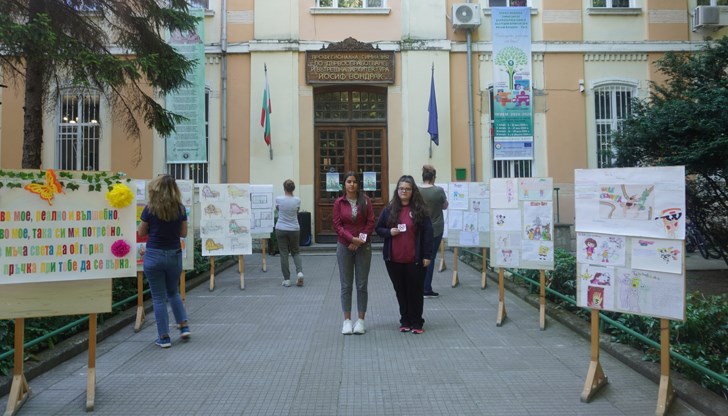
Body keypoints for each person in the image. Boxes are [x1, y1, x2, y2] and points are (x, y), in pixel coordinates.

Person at [376, 175, 433, 334]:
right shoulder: (389, 209)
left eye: (407, 189)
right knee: (400, 291)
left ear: (412, 191)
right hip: (393, 259)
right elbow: (378, 228)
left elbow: (428, 233)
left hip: (415, 260)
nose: (404, 191)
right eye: (401, 188)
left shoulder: (420, 210)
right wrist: (389, 232)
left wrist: (427, 255)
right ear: (397, 190)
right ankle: (405, 320)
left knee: (415, 291)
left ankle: (417, 322)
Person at [137, 175, 190, 348]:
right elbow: (183, 234)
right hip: (174, 254)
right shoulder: (180, 209)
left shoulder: (150, 209)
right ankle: (183, 326)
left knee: (158, 298)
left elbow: (142, 232)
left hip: (154, 255)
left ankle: (164, 337)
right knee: (173, 292)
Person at [333, 172, 375, 335]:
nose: (351, 184)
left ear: (358, 184)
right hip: (344, 246)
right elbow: (337, 225)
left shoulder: (366, 201)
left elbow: (370, 222)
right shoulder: (339, 202)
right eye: (349, 182)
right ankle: (347, 321)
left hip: (363, 247)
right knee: (346, 284)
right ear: (344, 184)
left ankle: (361, 321)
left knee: (362, 284)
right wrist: (351, 239)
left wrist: (360, 241)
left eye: (354, 182)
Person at [419, 165, 449, 298]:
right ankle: (426, 288)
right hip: (436, 228)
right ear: (433, 177)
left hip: (420, 227)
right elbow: (445, 206)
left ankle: (418, 286)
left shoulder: (417, 191)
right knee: (430, 257)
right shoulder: (439, 191)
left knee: (420, 256)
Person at [275, 179, 304, 287]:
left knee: (284, 253)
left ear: (284, 188)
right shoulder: (297, 200)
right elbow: (296, 212)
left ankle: (287, 280)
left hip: (281, 228)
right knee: (296, 251)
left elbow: (278, 210)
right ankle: (299, 272)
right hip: (294, 229)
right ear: (293, 188)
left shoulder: (278, 199)